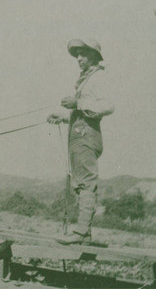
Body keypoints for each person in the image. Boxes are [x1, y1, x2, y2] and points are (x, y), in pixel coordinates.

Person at [48, 38, 114, 245]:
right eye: (76, 55)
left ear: (94, 56)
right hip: (79, 135)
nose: (78, 58)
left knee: (86, 184)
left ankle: (80, 232)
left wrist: (77, 102)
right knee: (80, 184)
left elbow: (108, 106)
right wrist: (64, 117)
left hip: (86, 136)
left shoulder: (99, 78)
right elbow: (84, 112)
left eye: (82, 54)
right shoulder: (87, 79)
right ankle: (84, 234)